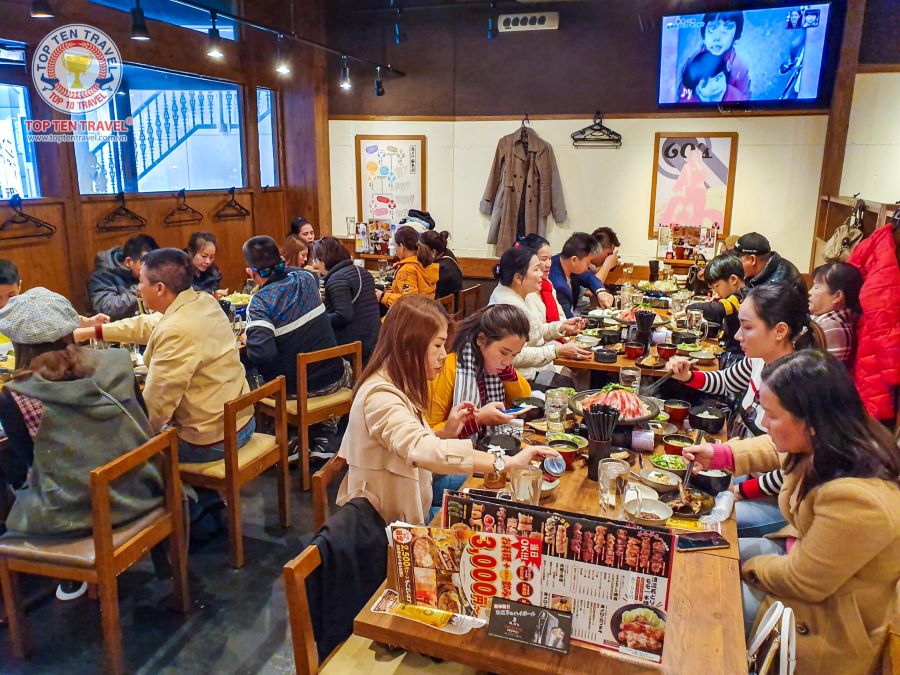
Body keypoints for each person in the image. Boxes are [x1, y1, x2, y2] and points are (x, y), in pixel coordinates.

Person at [683, 351, 900, 674]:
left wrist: (741, 567)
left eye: (771, 415)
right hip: (799, 560)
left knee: (703, 599)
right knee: (704, 559)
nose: (764, 424)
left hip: (826, 622)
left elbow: (803, 581)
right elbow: (773, 446)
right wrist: (720, 454)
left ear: (809, 422)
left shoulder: (857, 499)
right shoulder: (830, 439)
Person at [0, 287, 164, 601]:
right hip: (143, 488)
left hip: (76, 514)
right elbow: (142, 421)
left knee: (14, 479)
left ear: (17, 342)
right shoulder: (117, 362)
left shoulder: (15, 396)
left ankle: (60, 576)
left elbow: (29, 466)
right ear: (69, 328)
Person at [335, 294, 558, 525]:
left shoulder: (400, 382)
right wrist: (504, 463)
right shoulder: (381, 397)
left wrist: (446, 432)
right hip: (391, 524)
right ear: (409, 343)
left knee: (494, 502)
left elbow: (413, 442)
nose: (444, 354)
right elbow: (421, 448)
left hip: (418, 493)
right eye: (438, 345)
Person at [666, 283, 823, 537]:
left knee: (699, 524)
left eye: (747, 327)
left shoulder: (800, 383)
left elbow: (795, 469)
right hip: (748, 474)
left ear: (779, 331)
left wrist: (738, 491)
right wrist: (688, 376)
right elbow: (726, 381)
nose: (738, 335)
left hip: (781, 499)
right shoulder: (759, 359)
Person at [75, 249, 254, 463]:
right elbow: (150, 324)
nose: (138, 289)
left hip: (213, 441)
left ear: (159, 288)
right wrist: (91, 331)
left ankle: (182, 488)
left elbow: (156, 410)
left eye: (141, 282)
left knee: (108, 448)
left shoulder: (176, 330)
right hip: (242, 420)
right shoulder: (203, 301)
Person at [243, 236, 348, 460]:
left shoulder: (259, 302)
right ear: (281, 260)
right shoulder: (307, 278)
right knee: (344, 366)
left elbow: (263, 353)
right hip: (336, 377)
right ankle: (323, 433)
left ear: (250, 273)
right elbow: (291, 271)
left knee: (248, 374)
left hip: (294, 392)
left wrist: (249, 339)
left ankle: (283, 438)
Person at [488, 247, 590, 385]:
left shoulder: (523, 293)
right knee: (566, 383)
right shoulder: (508, 306)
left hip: (531, 370)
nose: (541, 274)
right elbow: (516, 356)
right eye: (536, 269)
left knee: (572, 376)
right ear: (518, 278)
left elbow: (532, 332)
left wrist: (560, 327)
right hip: (516, 378)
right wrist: (556, 351)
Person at [427, 304, 531, 438]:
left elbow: (523, 400)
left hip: (488, 445)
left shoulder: (500, 367)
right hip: (455, 449)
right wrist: (477, 419)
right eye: (504, 352)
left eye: (514, 355)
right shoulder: (449, 367)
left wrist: (507, 373)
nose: (508, 361)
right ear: (481, 339)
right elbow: (430, 433)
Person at [846, 219, 900, 424]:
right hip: (877, 365)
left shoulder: (876, 244)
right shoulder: (885, 256)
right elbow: (885, 324)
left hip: (869, 354)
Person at [314, 236, 381, 363]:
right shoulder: (364, 272)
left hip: (354, 346)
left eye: (317, 260)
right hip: (375, 338)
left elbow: (343, 316)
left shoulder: (337, 280)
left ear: (324, 260)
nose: (316, 265)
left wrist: (318, 318)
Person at [678, 11, 750, 103]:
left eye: (727, 29)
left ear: (735, 35)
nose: (717, 38)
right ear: (704, 33)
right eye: (712, 29)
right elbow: (683, 99)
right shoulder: (692, 63)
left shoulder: (739, 67)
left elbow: (745, 101)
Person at [686, 253, 747, 359]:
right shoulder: (738, 294)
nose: (715, 291)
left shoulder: (740, 298)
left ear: (733, 280)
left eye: (717, 286)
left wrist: (688, 308)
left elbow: (718, 309)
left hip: (737, 356)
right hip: (730, 351)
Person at [87, 234, 159, 320]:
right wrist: (141, 288)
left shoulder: (145, 274)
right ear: (128, 262)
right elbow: (106, 308)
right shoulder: (101, 276)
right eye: (146, 264)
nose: (152, 269)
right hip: (114, 327)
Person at [808, 261, 862, 366]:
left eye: (816, 287)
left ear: (837, 296)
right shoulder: (825, 320)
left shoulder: (832, 328)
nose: (810, 292)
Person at [549, 232, 613, 318]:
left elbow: (588, 277)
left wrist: (601, 292)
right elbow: (567, 320)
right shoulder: (558, 286)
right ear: (574, 260)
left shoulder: (565, 262)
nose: (589, 266)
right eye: (588, 262)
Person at [376, 225, 439, 308]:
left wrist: (383, 296)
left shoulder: (407, 269)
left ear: (401, 247)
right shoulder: (424, 262)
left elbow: (409, 301)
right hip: (428, 310)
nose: (396, 250)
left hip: (413, 314)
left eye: (396, 246)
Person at [731, 232, 806, 293]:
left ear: (753, 260)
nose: (736, 264)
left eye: (738, 259)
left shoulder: (778, 284)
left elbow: (756, 305)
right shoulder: (758, 272)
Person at [520, 234, 565, 323]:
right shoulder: (526, 289)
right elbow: (535, 327)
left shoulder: (547, 284)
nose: (549, 264)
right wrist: (560, 327)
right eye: (544, 259)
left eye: (550, 258)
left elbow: (560, 315)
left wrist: (569, 324)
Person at [422, 230, 462, 301]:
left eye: (422, 249)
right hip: (455, 303)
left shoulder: (441, 268)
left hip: (447, 306)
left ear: (433, 252)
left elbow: (432, 296)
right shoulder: (447, 252)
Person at [187, 232, 226, 298]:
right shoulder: (180, 274)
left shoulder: (213, 273)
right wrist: (210, 296)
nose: (208, 261)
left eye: (211, 257)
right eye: (204, 256)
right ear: (190, 252)